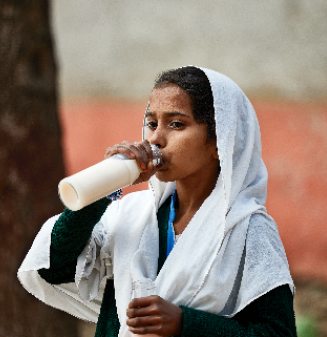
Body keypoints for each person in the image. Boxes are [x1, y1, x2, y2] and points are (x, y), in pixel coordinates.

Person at [18, 66, 297, 337]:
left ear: (219, 141)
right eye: (152, 123)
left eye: (176, 124)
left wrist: (185, 324)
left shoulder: (248, 229)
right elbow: (53, 268)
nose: (155, 139)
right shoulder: (132, 216)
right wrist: (104, 186)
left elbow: (277, 332)